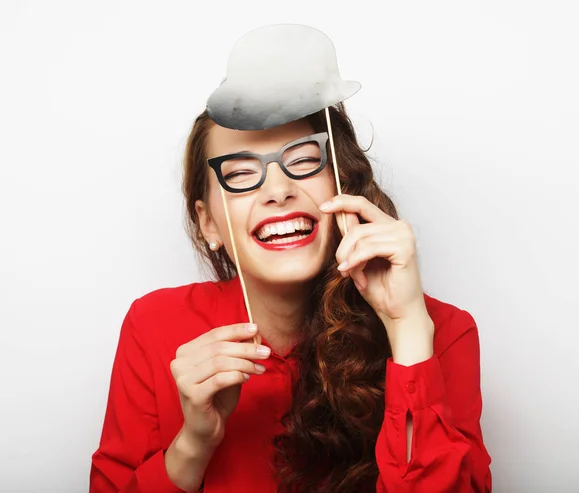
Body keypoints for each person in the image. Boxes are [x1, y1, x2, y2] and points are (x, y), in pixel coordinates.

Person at [89, 103, 492, 492]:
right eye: (241, 173)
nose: (278, 190)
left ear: (343, 185)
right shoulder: (155, 325)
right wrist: (193, 443)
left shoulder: (440, 331)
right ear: (209, 223)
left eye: (303, 161)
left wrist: (406, 330)